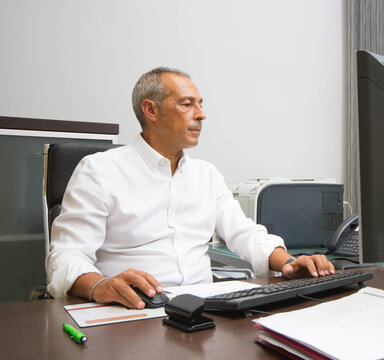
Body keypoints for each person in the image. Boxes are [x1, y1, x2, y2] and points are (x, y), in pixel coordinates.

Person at [46, 67, 335, 309]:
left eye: (200, 104)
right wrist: (100, 285)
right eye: (187, 104)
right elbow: (67, 255)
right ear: (151, 110)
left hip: (201, 310)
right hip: (132, 311)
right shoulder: (99, 171)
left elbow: (244, 233)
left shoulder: (206, 175)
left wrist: (289, 263)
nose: (201, 115)